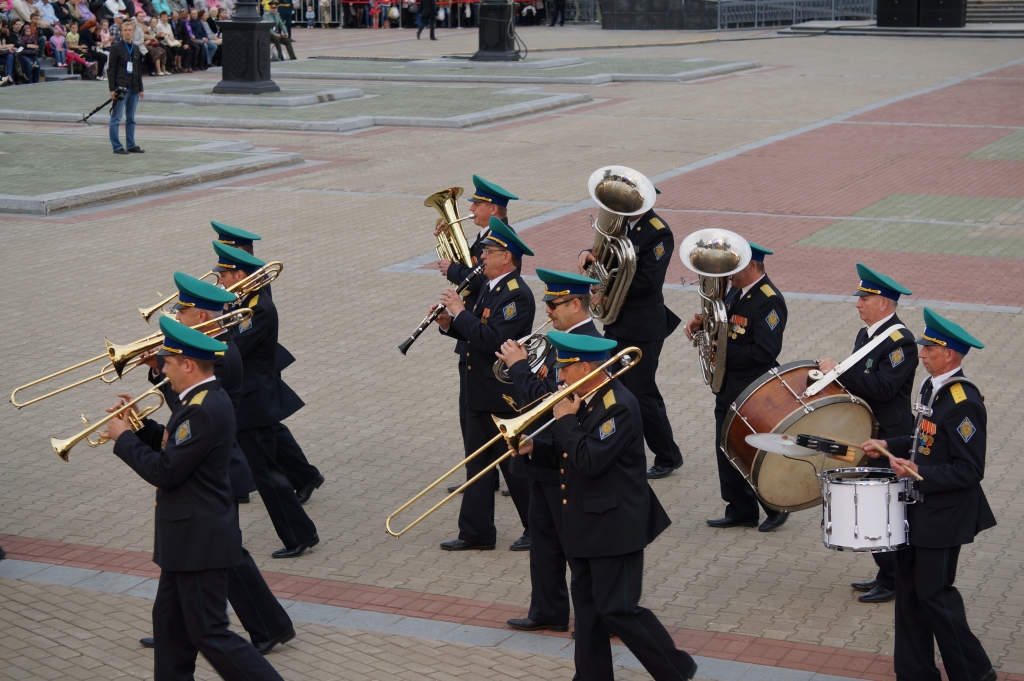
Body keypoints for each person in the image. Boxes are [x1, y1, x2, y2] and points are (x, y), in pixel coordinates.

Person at [99, 316, 286, 681]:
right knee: (170, 628)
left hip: (199, 541)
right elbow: (179, 449)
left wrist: (123, 440)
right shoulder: (199, 401)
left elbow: (166, 471)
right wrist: (140, 426)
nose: (162, 369)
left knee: (209, 632)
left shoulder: (201, 409)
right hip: (187, 539)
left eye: (166, 363)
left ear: (187, 364)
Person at [519, 332, 698, 681]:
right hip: (587, 524)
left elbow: (590, 460)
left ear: (585, 367)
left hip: (615, 526)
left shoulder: (618, 405)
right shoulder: (585, 398)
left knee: (619, 609)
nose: (559, 376)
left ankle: (675, 668)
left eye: (564, 368)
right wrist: (536, 450)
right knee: (587, 612)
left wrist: (565, 420)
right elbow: (571, 454)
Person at [135, 274, 294, 655]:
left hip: (214, 469)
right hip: (213, 466)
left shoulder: (220, 354)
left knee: (225, 556)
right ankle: (175, 627)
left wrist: (164, 372)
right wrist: (162, 367)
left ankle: (268, 625)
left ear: (201, 313)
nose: (177, 315)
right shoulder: (210, 346)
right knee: (195, 557)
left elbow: (187, 412)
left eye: (182, 310)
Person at [861, 307, 996, 681]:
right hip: (917, 509)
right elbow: (922, 440)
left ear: (949, 354)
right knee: (908, 594)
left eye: (929, 349)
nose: (920, 354)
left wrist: (919, 471)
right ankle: (916, 671)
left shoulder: (963, 401)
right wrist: (889, 443)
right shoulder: (929, 387)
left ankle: (974, 672)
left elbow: (970, 470)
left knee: (935, 595)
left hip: (945, 515)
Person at [496, 269, 602, 634]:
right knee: (543, 542)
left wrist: (519, 367)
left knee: (577, 547)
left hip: (567, 459)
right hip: (544, 455)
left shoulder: (588, 346)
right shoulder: (560, 340)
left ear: (575, 303)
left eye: (554, 304)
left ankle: (601, 617)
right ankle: (547, 609)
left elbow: (548, 404)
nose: (548, 310)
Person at [213, 242, 321, 558]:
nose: (221, 282)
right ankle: (301, 531)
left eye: (225, 275)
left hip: (253, 402)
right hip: (247, 400)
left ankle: (299, 535)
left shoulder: (258, 307)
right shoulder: (241, 301)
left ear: (240, 274)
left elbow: (235, 347)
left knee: (267, 475)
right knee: (266, 470)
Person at [818, 264, 917, 605]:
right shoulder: (868, 335)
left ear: (884, 303)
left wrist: (839, 374)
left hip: (891, 436)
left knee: (886, 511)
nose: (858, 304)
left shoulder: (901, 342)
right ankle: (884, 573)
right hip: (869, 433)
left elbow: (884, 388)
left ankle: (895, 580)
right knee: (873, 507)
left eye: (864, 298)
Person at [434, 218, 534, 552]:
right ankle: (476, 532)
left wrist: (461, 313)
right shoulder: (490, 287)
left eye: (488, 252)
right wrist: (450, 324)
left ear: (506, 257)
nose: (481, 257)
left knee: (514, 466)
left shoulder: (516, 296)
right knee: (476, 464)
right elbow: (474, 332)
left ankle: (538, 528)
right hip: (478, 388)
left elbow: (493, 340)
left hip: (500, 395)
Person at [577, 183, 683, 480]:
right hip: (618, 320)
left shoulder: (659, 232)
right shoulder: (618, 222)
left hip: (643, 324)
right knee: (622, 387)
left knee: (642, 393)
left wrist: (606, 290)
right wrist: (588, 254)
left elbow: (648, 280)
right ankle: (624, 446)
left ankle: (667, 455)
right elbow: (604, 254)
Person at [684, 242, 789, 532]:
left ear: (752, 266)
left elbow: (764, 352)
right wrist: (702, 325)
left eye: (736, 266)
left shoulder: (769, 300)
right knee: (725, 446)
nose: (729, 273)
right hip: (729, 384)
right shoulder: (734, 292)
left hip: (753, 388)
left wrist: (723, 355)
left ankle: (776, 505)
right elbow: (725, 327)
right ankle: (740, 509)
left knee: (752, 450)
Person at [434, 175, 521, 497]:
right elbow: (474, 267)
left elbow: (479, 280)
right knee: (470, 420)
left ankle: (507, 475)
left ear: (492, 208)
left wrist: (451, 270)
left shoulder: (504, 239)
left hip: (484, 336)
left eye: (476, 204)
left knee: (485, 421)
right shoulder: (487, 235)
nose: (469, 209)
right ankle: (479, 475)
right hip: (471, 330)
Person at [107, 17, 144, 154]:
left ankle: (131, 144)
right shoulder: (116, 48)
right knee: (116, 118)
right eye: (125, 30)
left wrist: (140, 88)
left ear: (133, 32)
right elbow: (111, 69)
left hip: (134, 86)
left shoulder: (135, 48)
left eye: (130, 30)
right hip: (121, 87)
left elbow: (138, 69)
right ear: (122, 32)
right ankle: (116, 146)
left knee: (131, 118)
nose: (128, 32)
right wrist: (112, 89)